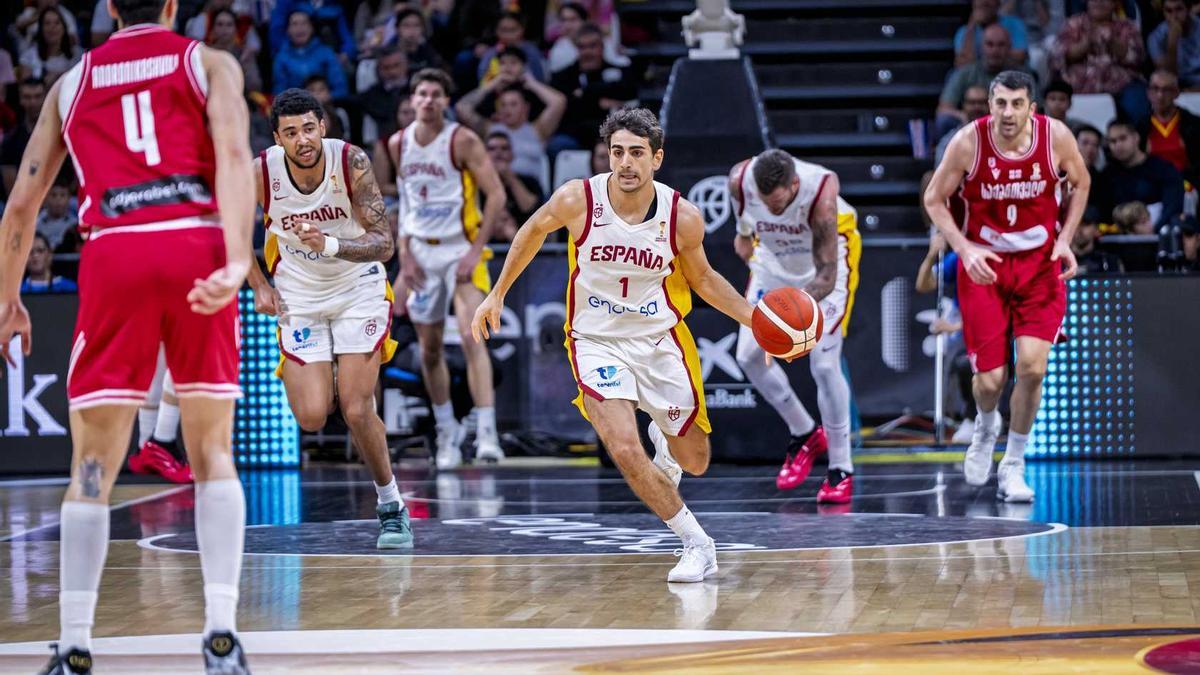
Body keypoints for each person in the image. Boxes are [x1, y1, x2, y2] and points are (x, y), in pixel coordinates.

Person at [0, 0, 256, 672]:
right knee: (212, 452)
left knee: (91, 467)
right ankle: (222, 634)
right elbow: (235, 157)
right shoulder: (209, 63)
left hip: (115, 252)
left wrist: (7, 300)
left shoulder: (72, 81)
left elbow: (22, 204)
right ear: (172, 5)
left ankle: (75, 644)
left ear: (110, 9)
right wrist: (237, 258)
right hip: (195, 243)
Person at [471, 108, 757, 582]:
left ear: (656, 158)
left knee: (695, 461)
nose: (625, 162)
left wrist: (756, 321)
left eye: (637, 153)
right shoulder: (578, 199)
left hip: (659, 340)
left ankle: (666, 441)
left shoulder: (682, 217)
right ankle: (697, 544)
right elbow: (532, 230)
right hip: (595, 341)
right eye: (617, 152)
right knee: (623, 447)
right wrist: (497, 293)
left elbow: (704, 279)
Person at [246, 88, 413, 550]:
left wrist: (330, 244)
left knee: (357, 408)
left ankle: (391, 506)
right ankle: (334, 369)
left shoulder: (350, 161)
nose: (302, 140)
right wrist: (258, 284)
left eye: (308, 128)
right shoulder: (259, 173)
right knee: (312, 416)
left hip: (357, 286)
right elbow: (231, 232)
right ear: (277, 138)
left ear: (323, 126)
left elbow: (384, 243)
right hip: (299, 294)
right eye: (290, 133)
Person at [923, 70, 1090, 502]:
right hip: (986, 266)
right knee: (990, 381)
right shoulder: (968, 142)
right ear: (990, 105)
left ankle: (1014, 463)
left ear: (1032, 108)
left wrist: (1066, 239)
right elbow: (934, 199)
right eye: (1001, 103)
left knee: (1033, 368)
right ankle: (985, 424)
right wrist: (964, 249)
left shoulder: (1055, 137)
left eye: (1017, 104)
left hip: (1039, 265)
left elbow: (1082, 182)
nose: (1009, 112)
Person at [727, 149, 862, 502]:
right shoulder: (739, 181)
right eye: (766, 204)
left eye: (779, 204)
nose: (773, 211)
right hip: (773, 265)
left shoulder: (821, 193)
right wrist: (746, 236)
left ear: (795, 185)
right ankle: (804, 432)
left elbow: (827, 276)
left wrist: (788, 310)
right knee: (748, 356)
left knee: (824, 364)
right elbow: (744, 237)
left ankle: (841, 467)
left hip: (825, 267)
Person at [390, 69, 508, 468]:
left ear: (446, 101)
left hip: (460, 248)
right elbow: (406, 202)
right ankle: (446, 433)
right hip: (421, 252)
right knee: (430, 349)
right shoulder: (398, 143)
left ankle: (487, 434)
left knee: (473, 336)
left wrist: (476, 250)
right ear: (412, 99)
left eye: (436, 94)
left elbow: (496, 195)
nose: (428, 100)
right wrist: (405, 255)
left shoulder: (462, 139)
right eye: (422, 93)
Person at [1096, 119, 1185, 230]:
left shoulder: (1163, 169)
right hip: (1118, 237)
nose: (1118, 145)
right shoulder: (1106, 176)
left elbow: (1173, 207)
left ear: (1136, 138)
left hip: (1158, 235)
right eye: (1113, 141)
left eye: (1123, 138)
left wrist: (1154, 231)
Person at [1141, 69, 1200, 186]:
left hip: (1187, 183)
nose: (1160, 95)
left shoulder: (1194, 124)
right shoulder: (1140, 127)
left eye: (1166, 90)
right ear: (1148, 93)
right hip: (1152, 185)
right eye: (1155, 89)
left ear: (1176, 93)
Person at [1148, 0, 1200, 90]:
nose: (1174, 16)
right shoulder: (1155, 38)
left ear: (1188, 10)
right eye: (1169, 11)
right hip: (1176, 89)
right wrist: (1172, 43)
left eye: (1179, 9)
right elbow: (1167, 76)